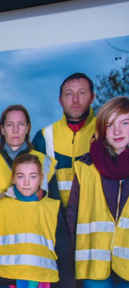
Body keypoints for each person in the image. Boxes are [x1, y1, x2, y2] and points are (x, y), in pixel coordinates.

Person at [0, 154, 74, 288]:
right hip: (8, 286)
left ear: (41, 178)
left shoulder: (52, 207)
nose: (26, 182)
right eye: (20, 176)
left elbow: (64, 253)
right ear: (13, 178)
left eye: (32, 176)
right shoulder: (2, 206)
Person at [66, 96, 129, 288]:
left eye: (125, 123)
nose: (117, 131)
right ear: (102, 129)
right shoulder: (85, 165)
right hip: (93, 261)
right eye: (110, 124)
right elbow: (72, 216)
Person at [32, 73, 97, 208]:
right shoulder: (44, 137)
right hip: (55, 223)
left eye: (82, 93)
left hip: (93, 223)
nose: (75, 100)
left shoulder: (106, 132)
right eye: (68, 94)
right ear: (60, 100)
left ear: (92, 97)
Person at [0, 105, 57, 196]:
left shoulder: (47, 163)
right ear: (2, 129)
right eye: (10, 125)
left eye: (21, 124)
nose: (16, 130)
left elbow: (55, 206)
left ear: (28, 128)